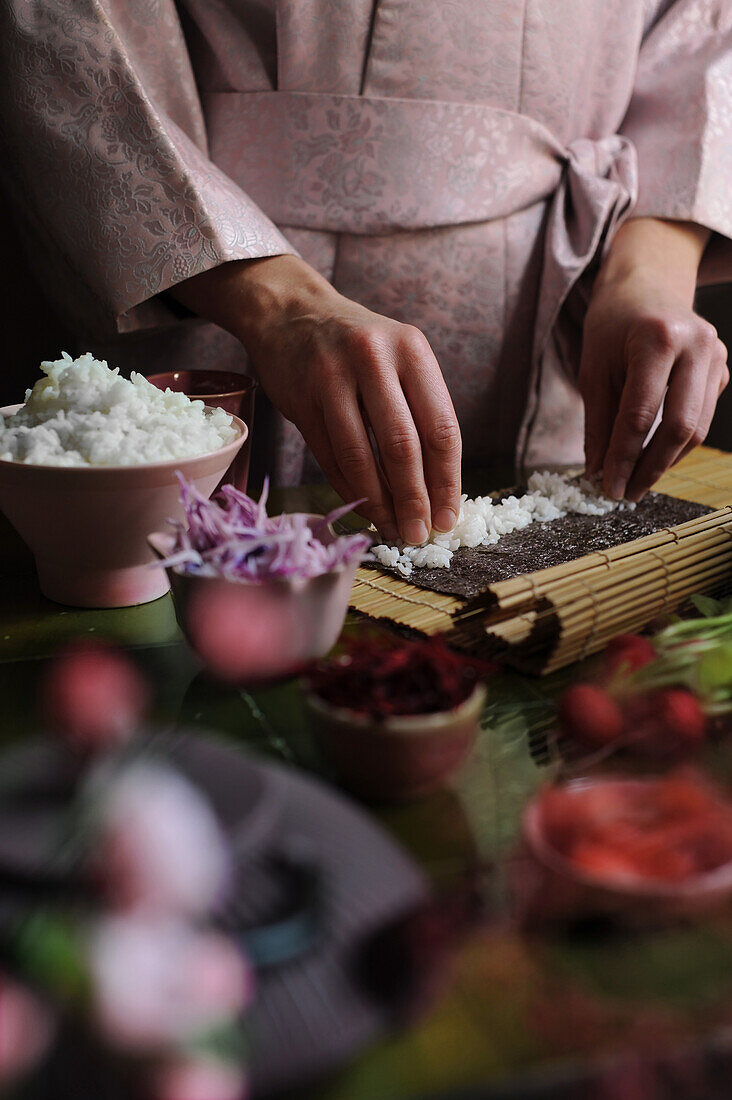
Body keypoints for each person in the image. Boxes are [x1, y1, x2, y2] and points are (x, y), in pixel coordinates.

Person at [1, 1, 729, 545]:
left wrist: (650, 267)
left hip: (556, 319)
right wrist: (275, 305)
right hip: (215, 288)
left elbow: (702, 28)